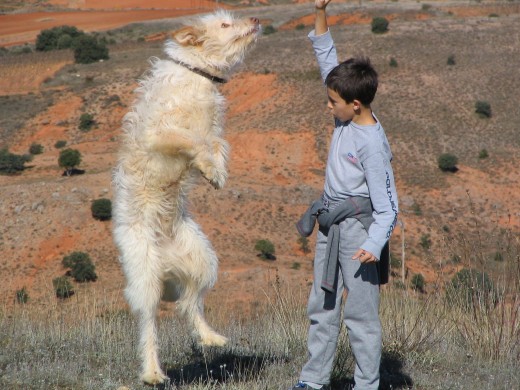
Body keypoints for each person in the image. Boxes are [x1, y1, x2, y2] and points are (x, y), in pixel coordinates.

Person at [292, 1, 399, 389]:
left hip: (358, 233)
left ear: (354, 104)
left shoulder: (371, 143)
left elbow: (389, 206)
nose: (328, 105)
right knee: (322, 308)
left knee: (360, 315)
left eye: (332, 102)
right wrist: (320, 10)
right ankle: (313, 381)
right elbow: (327, 60)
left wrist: (373, 244)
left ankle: (367, 384)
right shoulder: (347, 114)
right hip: (329, 224)